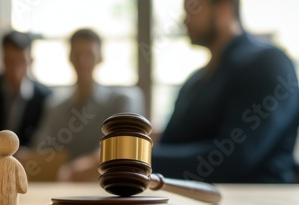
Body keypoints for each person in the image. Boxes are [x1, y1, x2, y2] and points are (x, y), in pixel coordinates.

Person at [151, 0, 299, 183]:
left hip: (258, 203)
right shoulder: (195, 81)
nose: (185, 21)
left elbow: (234, 158)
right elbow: (168, 143)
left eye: (192, 9)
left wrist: (135, 161)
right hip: (190, 198)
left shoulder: (268, 64)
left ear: (224, 9)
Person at [32, 28, 144, 182]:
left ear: (100, 58)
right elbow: (41, 154)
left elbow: (125, 148)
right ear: (70, 57)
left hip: (111, 189)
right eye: (77, 55)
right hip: (61, 191)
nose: (82, 61)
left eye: (89, 55)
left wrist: (77, 169)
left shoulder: (121, 101)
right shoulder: (55, 107)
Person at [0, 31, 52, 178]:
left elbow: (45, 139)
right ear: (2, 60)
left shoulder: (45, 97)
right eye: (10, 62)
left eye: (21, 62)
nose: (15, 71)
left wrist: (27, 153)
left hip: (27, 168)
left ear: (31, 60)